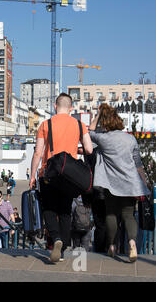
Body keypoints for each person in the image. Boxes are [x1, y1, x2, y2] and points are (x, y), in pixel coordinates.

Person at [29, 93, 93, 263]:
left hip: (49, 173)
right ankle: (63, 248)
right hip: (69, 175)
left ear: (55, 106)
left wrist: (32, 175)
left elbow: (38, 152)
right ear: (71, 108)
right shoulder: (80, 125)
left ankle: (56, 238)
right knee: (65, 210)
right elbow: (89, 149)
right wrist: (76, 150)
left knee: (49, 208)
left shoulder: (45, 124)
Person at [89, 103, 150, 262]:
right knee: (129, 215)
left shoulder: (103, 138)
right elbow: (138, 165)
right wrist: (143, 184)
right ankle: (132, 242)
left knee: (111, 215)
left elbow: (89, 130)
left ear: (105, 122)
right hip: (131, 184)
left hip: (111, 185)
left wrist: (98, 114)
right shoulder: (130, 139)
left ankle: (111, 246)